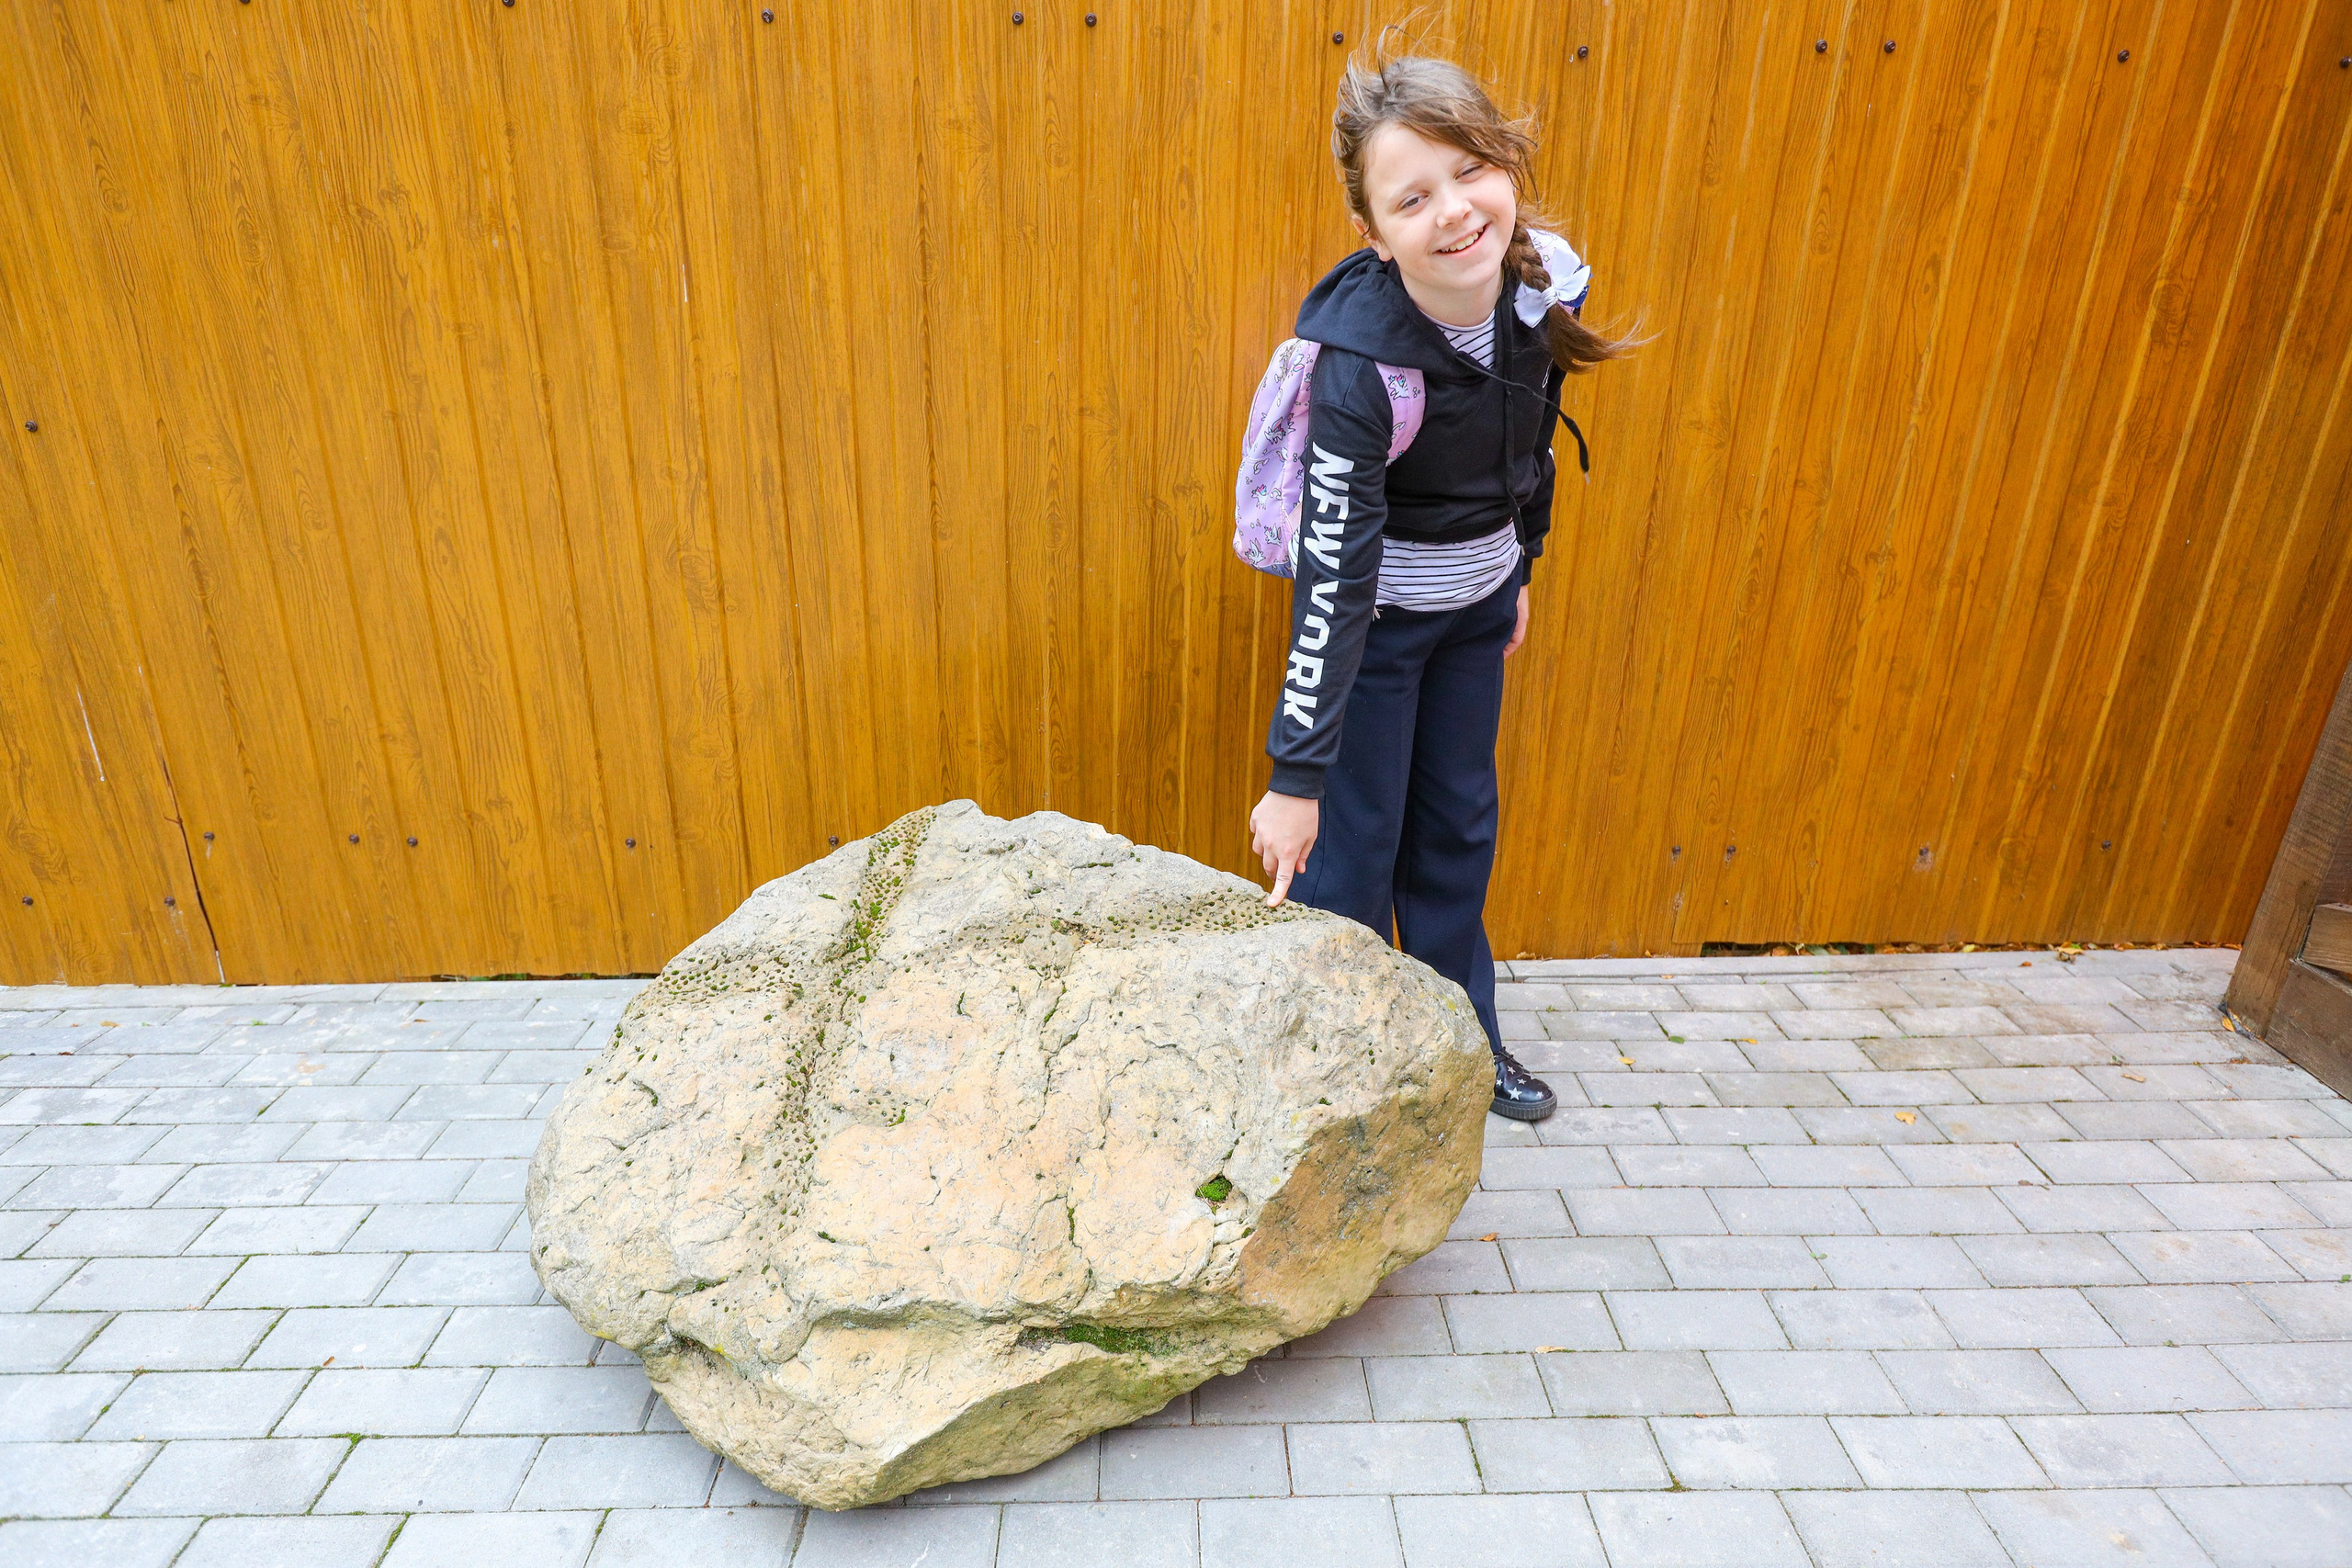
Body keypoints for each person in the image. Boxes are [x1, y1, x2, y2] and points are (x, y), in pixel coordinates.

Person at [1247, 50, 1634, 1122]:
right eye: (1411, 198)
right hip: (1375, 628)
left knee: (1458, 827)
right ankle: (1340, 1075)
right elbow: (1332, 580)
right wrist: (1295, 779)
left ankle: (1465, 1042)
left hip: (1473, 613)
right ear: (1373, 233)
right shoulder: (1362, 367)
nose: (1454, 211)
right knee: (1354, 850)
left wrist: (1519, 570)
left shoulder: (1538, 289)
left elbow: (1529, 444)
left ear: (1507, 165)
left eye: (1469, 171)